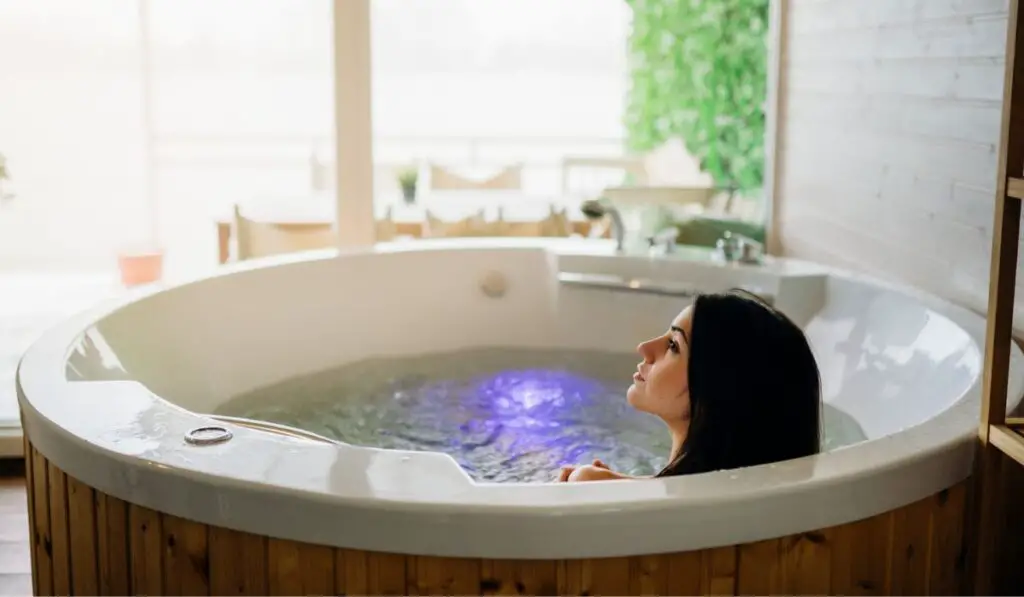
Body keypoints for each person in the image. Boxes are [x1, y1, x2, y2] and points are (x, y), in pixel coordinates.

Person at [556, 288, 822, 483]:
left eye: (673, 345)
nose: (645, 348)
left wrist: (592, 483)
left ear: (718, 391)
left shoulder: (587, 482)